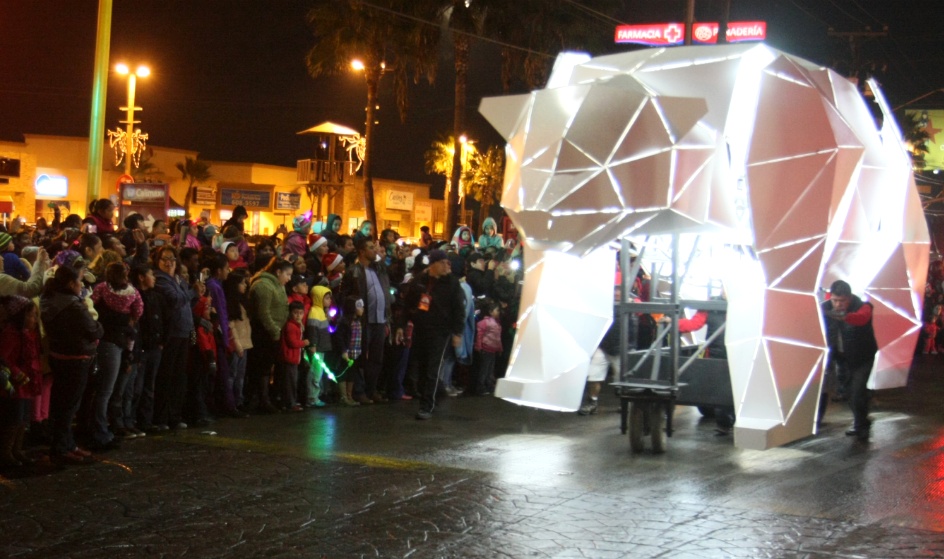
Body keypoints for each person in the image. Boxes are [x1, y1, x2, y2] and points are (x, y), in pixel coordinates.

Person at [41, 265, 103, 465]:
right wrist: (97, 325)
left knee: (63, 404)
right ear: (70, 283)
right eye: (80, 281)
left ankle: (68, 444)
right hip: (76, 358)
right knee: (68, 406)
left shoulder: (50, 299)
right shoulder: (73, 306)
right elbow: (94, 330)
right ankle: (61, 448)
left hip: (59, 356)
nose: (82, 285)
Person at [402, 249, 466, 420]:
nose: (447, 265)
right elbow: (408, 302)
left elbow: (459, 309)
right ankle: (433, 395)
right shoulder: (420, 281)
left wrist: (457, 332)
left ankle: (426, 405)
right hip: (421, 329)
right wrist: (404, 323)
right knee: (422, 367)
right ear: (434, 264)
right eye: (443, 262)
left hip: (441, 331)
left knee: (433, 368)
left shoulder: (452, 283)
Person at [337, 237, 397, 404]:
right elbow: (344, 295)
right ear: (362, 251)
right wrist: (353, 311)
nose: (374, 250)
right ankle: (359, 391)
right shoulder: (353, 271)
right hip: (363, 320)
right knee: (360, 357)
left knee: (377, 358)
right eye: (371, 248)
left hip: (380, 319)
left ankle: (372, 390)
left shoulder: (378, 269)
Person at [822, 280, 878, 441]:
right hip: (841, 358)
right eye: (835, 300)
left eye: (842, 301)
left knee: (856, 391)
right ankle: (862, 420)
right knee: (848, 392)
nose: (838, 304)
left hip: (862, 357)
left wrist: (841, 316)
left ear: (850, 298)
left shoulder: (863, 306)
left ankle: (861, 425)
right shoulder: (825, 307)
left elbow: (860, 318)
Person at [152, 246, 196, 431]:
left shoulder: (177, 279)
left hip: (183, 332)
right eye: (165, 259)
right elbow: (176, 299)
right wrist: (192, 291)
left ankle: (175, 415)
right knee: (166, 376)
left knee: (179, 377)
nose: (169, 262)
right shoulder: (161, 280)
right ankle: (161, 417)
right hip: (171, 333)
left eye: (172, 258)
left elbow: (186, 301)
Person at [0, 296, 42, 466]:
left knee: (23, 418)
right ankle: (5, 453)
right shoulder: (11, 334)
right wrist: (16, 373)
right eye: (31, 315)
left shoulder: (28, 334)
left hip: (26, 384)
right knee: (13, 418)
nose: (35, 319)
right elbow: (4, 358)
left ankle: (17, 450)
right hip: (16, 384)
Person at [246, 257, 291, 413]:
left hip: (274, 332)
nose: (289, 278)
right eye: (287, 274)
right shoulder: (263, 285)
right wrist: (274, 330)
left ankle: (268, 398)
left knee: (268, 367)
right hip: (263, 333)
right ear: (278, 272)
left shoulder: (277, 285)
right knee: (261, 367)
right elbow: (263, 313)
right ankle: (260, 400)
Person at [129, 265, 164, 433]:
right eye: (151, 274)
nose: (154, 277)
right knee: (137, 387)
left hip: (155, 347)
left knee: (149, 386)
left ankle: (145, 421)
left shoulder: (155, 296)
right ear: (141, 277)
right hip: (141, 349)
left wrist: (161, 340)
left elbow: (162, 319)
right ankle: (130, 421)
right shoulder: (136, 296)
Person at [224, 269, 252, 412]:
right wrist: (237, 344)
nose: (245, 285)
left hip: (245, 342)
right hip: (237, 344)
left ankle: (238, 401)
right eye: (242, 283)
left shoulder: (242, 301)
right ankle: (231, 403)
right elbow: (231, 326)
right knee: (232, 374)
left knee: (240, 376)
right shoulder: (231, 303)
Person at [332, 296, 364, 406]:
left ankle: (349, 396)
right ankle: (343, 396)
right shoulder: (344, 322)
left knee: (351, 374)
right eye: (360, 307)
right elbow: (339, 337)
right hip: (346, 353)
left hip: (355, 353)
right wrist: (343, 351)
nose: (362, 309)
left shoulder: (358, 321)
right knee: (343, 373)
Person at [305, 285, 333, 408]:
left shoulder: (320, 311)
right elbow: (313, 330)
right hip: (318, 348)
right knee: (315, 373)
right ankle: (312, 398)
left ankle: (315, 396)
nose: (329, 300)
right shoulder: (315, 312)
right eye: (326, 298)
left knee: (318, 373)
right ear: (318, 298)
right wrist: (314, 345)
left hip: (321, 347)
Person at [279, 301, 309, 411]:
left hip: (293, 358)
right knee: (290, 382)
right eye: (296, 313)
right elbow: (292, 342)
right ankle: (290, 403)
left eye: (301, 313)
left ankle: (289, 402)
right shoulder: (291, 326)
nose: (298, 315)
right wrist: (304, 343)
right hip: (290, 357)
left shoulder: (297, 325)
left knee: (291, 381)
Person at [470, 298, 502, 396]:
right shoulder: (487, 323)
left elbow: (497, 338)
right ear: (491, 312)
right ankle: (481, 387)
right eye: (497, 310)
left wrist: (500, 348)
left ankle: (487, 385)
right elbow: (480, 335)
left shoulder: (495, 323)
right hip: (487, 349)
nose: (498, 313)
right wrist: (478, 346)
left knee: (488, 369)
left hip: (491, 350)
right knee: (485, 369)